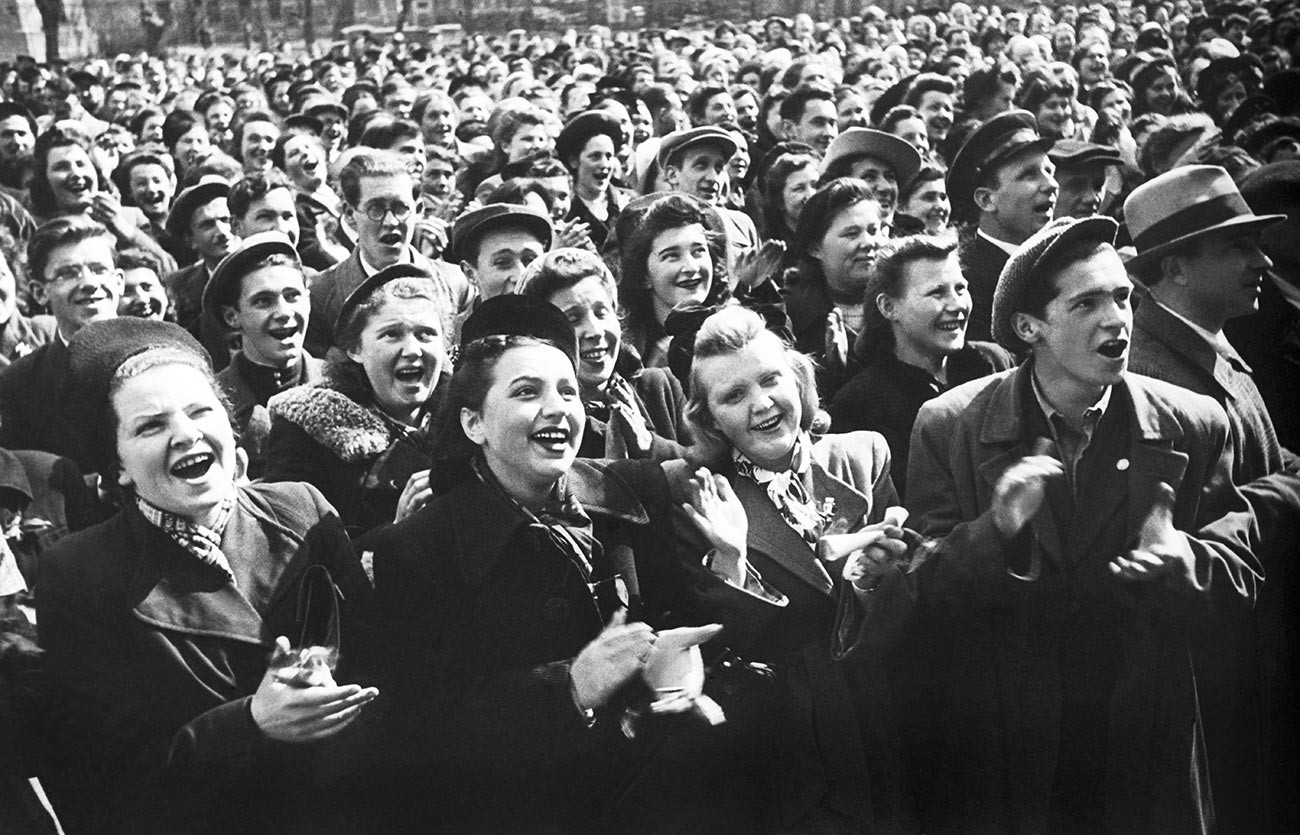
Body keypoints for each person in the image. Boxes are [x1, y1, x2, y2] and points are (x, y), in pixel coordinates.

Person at [366, 295, 781, 832]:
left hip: (658, 797)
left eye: (567, 391)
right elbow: (422, 725)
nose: (557, 407)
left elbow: (679, 621)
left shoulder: (635, 491)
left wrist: (725, 575)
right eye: (526, 392)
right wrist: (569, 686)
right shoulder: (417, 548)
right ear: (474, 423)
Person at [906, 215, 1260, 832]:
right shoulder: (949, 424)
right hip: (1007, 751)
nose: (1117, 319)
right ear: (1028, 327)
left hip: (1146, 748)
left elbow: (1243, 575)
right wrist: (997, 529)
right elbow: (921, 598)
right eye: (1087, 302)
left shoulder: (1196, 421)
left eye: (1123, 296)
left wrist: (1188, 562)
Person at [37, 316, 379, 835]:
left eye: (201, 411)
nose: (186, 434)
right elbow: (101, 789)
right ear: (120, 464)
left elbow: (389, 669)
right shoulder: (78, 575)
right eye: (151, 426)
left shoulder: (304, 510)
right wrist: (249, 724)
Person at [681, 305, 920, 833]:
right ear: (710, 418)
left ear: (799, 379)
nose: (762, 404)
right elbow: (719, 653)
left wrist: (879, 578)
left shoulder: (862, 455)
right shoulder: (699, 494)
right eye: (733, 395)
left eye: (771, 380)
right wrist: (731, 559)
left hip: (883, 715)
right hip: (788, 745)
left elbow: (905, 616)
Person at [1124, 164, 1300, 833]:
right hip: (1221, 675)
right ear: (1173, 267)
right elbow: (1196, 533)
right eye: (1236, 247)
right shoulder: (1150, 375)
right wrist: (1287, 489)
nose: (1262, 261)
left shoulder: (1211, 337)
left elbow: (1266, 458)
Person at [265, 263, 447, 536]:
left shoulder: (472, 420)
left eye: (426, 335)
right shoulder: (307, 435)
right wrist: (396, 534)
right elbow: (297, 553)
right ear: (355, 349)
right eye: (391, 334)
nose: (412, 350)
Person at [828, 236, 1013, 499]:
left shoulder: (995, 363)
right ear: (889, 307)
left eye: (961, 289)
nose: (957, 305)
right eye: (937, 293)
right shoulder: (859, 405)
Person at [519, 248, 689, 461]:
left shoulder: (663, 388)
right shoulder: (545, 420)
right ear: (540, 337)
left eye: (601, 313)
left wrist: (650, 444)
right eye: (573, 319)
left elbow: (714, 469)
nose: (595, 331)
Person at [307, 150, 469, 355]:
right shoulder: (321, 296)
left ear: (418, 210)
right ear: (349, 215)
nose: (391, 222)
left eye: (401, 208)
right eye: (375, 209)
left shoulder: (455, 284)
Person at [0, 218, 123, 471]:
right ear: (39, 292)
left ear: (119, 281)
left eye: (99, 269)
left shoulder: (169, 352)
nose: (89, 283)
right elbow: (30, 479)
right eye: (68, 273)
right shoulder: (20, 385)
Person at [206, 232, 323, 478]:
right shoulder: (212, 403)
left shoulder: (344, 382)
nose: (283, 312)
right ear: (232, 317)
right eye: (263, 301)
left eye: (293, 296)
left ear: (309, 301)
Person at [947, 109, 1058, 342]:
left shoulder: (1064, 259)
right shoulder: (965, 280)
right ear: (987, 200)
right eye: (1029, 175)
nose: (1051, 185)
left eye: (1049, 171)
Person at [781, 177, 888, 399]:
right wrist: (833, 370)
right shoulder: (791, 315)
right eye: (851, 233)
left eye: (873, 230)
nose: (868, 242)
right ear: (815, 248)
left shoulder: (905, 301)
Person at [617, 192, 730, 369]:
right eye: (672, 256)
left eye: (698, 251)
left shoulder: (732, 328)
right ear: (644, 275)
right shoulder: (627, 352)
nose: (691, 267)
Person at [162, 176, 239, 338]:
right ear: (191, 240)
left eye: (226, 220)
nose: (222, 232)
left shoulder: (266, 271)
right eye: (207, 225)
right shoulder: (178, 287)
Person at [819, 128, 923, 233]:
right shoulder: (823, 245)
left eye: (890, 177)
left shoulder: (914, 242)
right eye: (869, 177)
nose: (885, 187)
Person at [556, 110, 627, 252]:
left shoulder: (628, 202)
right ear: (574, 161)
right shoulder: (563, 209)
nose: (604, 164)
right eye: (595, 156)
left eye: (609, 156)